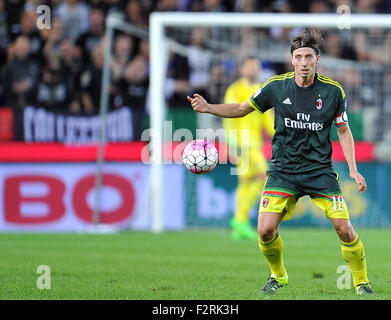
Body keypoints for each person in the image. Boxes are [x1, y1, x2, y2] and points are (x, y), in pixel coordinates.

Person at [187, 29, 374, 296]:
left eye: (309, 56)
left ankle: (361, 282)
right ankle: (278, 276)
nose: (305, 61)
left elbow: (344, 130)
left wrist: (353, 170)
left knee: (344, 228)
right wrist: (209, 107)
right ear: (292, 60)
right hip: (283, 171)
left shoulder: (334, 92)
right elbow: (241, 109)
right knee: (264, 230)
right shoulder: (275, 86)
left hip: (319, 170)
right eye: (299, 57)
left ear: (317, 59)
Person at [223, 56, 274, 241]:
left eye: (256, 65)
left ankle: (240, 225)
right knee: (264, 177)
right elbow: (229, 113)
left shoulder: (262, 90)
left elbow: (268, 119)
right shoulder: (235, 89)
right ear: (242, 68)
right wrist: (231, 141)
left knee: (245, 183)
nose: (253, 68)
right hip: (241, 142)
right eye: (250, 65)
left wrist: (278, 134)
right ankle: (239, 219)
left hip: (255, 143)